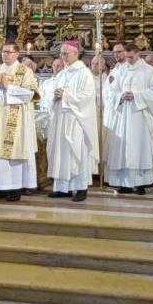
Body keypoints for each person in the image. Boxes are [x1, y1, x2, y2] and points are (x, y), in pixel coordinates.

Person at [0, 42, 39, 202]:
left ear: (17, 54)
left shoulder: (25, 72)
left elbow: (31, 93)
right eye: (4, 52)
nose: (5, 55)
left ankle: (14, 188)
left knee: (14, 154)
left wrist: (8, 88)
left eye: (9, 52)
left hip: (17, 120)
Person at [104, 43, 153, 195]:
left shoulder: (149, 71)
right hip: (123, 115)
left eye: (130, 57)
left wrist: (136, 96)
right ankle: (124, 183)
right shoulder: (120, 70)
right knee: (122, 148)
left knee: (139, 147)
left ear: (138, 54)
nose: (127, 60)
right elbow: (110, 91)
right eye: (126, 57)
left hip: (139, 116)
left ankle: (140, 183)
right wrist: (120, 96)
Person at [46, 41, 99, 201]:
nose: (63, 57)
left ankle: (80, 187)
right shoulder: (62, 73)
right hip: (61, 119)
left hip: (76, 120)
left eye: (66, 53)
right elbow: (53, 96)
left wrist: (66, 96)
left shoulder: (85, 74)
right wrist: (54, 97)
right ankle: (63, 188)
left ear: (76, 54)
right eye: (61, 53)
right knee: (61, 154)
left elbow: (88, 98)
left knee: (77, 153)